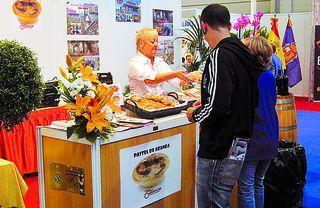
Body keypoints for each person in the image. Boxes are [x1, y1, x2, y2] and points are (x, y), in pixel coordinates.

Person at [186, 4, 264, 208]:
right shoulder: (243, 53)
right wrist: (209, 100)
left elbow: (218, 108)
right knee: (221, 200)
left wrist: (195, 114)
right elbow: (247, 98)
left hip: (219, 145)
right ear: (229, 25)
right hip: (239, 142)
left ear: (204, 26)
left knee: (211, 201)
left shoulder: (221, 54)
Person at [237, 37, 278, 208]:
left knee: (246, 187)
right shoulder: (269, 75)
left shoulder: (247, 78)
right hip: (270, 135)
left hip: (252, 138)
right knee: (258, 183)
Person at [128, 28, 193, 94]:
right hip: (140, 103)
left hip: (159, 102)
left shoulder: (159, 62)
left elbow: (176, 82)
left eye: (157, 41)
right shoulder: (135, 63)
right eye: (152, 42)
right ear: (141, 44)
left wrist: (189, 77)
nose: (156, 45)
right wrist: (174, 74)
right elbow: (150, 80)